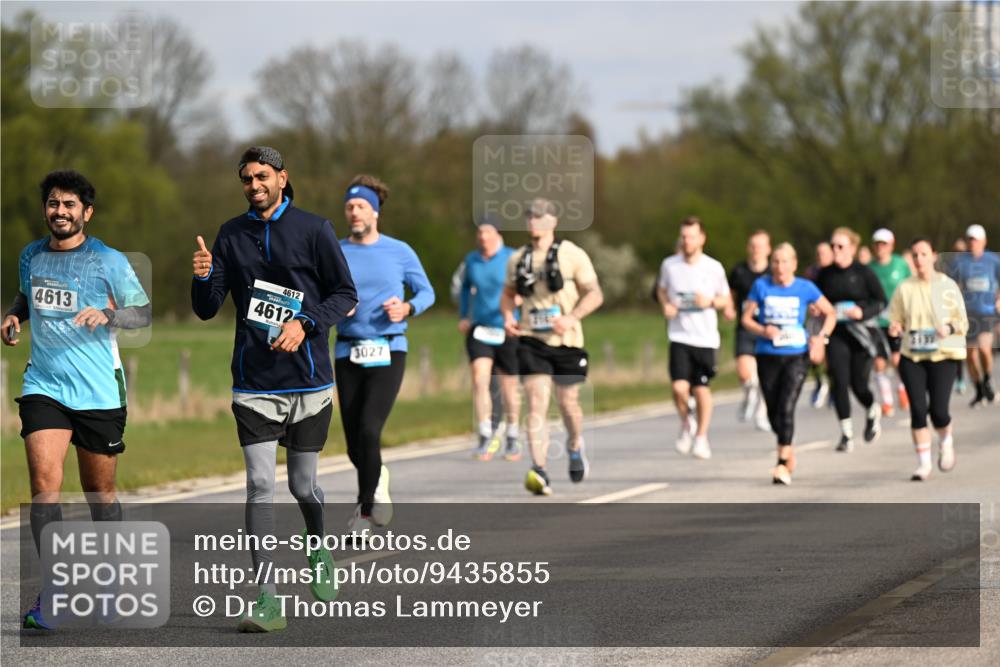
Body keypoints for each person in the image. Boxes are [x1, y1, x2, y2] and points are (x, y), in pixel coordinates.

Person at [192, 147, 358, 631]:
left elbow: (345, 294)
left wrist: (306, 323)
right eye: (246, 178)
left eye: (262, 176)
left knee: (302, 485)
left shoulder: (315, 229)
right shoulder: (230, 234)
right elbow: (206, 307)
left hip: (309, 380)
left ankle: (318, 544)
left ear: (283, 178)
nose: (253, 184)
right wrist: (202, 277)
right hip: (254, 383)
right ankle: (267, 597)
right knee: (261, 485)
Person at [2, 170, 151, 629]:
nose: (59, 212)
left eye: (69, 205)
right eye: (53, 203)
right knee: (45, 489)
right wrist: (12, 316)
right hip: (44, 387)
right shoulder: (31, 255)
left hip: (99, 392)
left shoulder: (107, 260)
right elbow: (26, 298)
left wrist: (108, 312)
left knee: (99, 495)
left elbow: (141, 311)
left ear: (86, 212)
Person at [335, 175, 435, 530]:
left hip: (388, 349)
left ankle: (362, 513)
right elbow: (317, 294)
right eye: (349, 207)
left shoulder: (399, 251)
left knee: (369, 430)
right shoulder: (335, 251)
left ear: (374, 212)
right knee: (353, 446)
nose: (354, 212)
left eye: (361, 206)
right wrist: (335, 307)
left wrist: (406, 309)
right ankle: (377, 480)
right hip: (347, 351)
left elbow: (427, 293)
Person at [501, 198, 603, 496]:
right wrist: (508, 317)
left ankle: (574, 446)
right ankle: (540, 469)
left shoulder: (572, 254)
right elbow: (508, 295)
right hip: (532, 341)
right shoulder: (517, 259)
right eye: (530, 216)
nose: (534, 221)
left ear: (553, 222)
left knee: (568, 403)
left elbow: (595, 294)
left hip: (568, 342)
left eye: (540, 216)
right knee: (536, 402)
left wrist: (572, 317)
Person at [741, 243, 835, 484]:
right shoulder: (761, 286)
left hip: (796, 355)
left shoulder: (805, 288)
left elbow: (830, 313)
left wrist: (820, 338)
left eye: (785, 262)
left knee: (786, 407)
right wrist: (763, 329)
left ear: (794, 264)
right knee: (773, 413)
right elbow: (746, 319)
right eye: (775, 262)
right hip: (767, 354)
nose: (780, 267)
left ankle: (781, 464)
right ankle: (787, 448)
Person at [888, 238, 969, 480]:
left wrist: (949, 327)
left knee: (939, 411)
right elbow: (896, 319)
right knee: (918, 410)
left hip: (944, 355)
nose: (919, 259)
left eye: (924, 254)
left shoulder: (948, 286)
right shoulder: (905, 288)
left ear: (933, 256)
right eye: (915, 255)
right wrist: (894, 327)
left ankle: (945, 440)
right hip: (912, 356)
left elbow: (963, 322)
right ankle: (923, 464)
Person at [656, 216, 732, 460]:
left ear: (701, 238)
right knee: (679, 388)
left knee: (700, 388)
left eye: (691, 236)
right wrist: (666, 304)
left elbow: (725, 300)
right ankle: (687, 421)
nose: (687, 241)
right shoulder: (670, 265)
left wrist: (708, 301)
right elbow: (661, 289)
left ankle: (701, 437)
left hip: (705, 337)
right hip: (679, 334)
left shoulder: (713, 267)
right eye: (684, 237)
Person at [816, 227, 887, 452]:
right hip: (836, 333)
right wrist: (815, 309)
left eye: (840, 246)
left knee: (858, 385)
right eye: (833, 246)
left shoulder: (864, 272)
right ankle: (846, 434)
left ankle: (871, 407)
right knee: (839, 381)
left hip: (861, 334)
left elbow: (880, 301)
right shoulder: (824, 274)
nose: (835, 250)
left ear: (852, 249)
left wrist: (861, 312)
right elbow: (815, 300)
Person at [458, 217, 521, 461]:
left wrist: (520, 305)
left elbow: (525, 288)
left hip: (508, 329)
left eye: (487, 232)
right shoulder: (472, 260)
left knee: (509, 386)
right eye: (480, 233)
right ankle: (485, 434)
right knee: (479, 378)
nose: (482, 237)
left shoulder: (512, 257)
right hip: (480, 329)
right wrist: (465, 315)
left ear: (498, 234)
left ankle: (513, 435)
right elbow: (465, 288)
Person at [948, 224, 1000, 407]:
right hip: (967, 313)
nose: (973, 243)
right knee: (970, 355)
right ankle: (978, 388)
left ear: (984, 241)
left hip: (987, 311)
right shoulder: (959, 262)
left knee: (985, 349)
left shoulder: (993, 260)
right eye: (970, 239)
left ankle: (986, 378)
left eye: (976, 240)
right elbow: (951, 286)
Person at [726, 230, 772, 431]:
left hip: (768, 327)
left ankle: (762, 412)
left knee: (765, 375)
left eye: (760, 246)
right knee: (745, 373)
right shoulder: (739, 271)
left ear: (768, 249)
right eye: (753, 245)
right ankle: (748, 395)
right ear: (748, 248)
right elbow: (729, 292)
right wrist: (729, 307)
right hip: (745, 326)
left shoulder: (773, 272)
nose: (756, 250)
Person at [869, 228, 912, 417]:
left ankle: (902, 389)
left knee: (896, 360)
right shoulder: (869, 267)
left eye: (884, 244)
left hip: (897, 320)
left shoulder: (900, 265)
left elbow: (910, 288)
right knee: (879, 363)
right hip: (876, 321)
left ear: (891, 245)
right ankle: (886, 402)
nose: (880, 247)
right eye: (877, 244)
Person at [804, 241, 834, 407]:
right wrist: (811, 306)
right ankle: (819, 381)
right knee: (813, 354)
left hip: (832, 318)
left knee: (831, 357)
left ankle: (833, 388)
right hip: (816, 318)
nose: (821, 257)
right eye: (819, 253)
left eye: (825, 253)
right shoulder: (811, 272)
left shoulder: (836, 272)